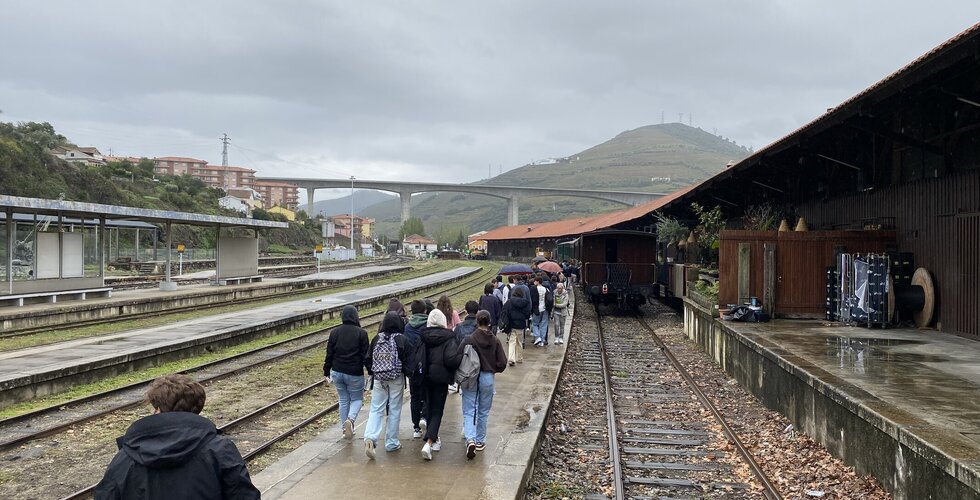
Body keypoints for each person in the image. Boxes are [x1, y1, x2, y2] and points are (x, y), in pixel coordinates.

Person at [94, 374, 260, 500]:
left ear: (157, 409)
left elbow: (106, 494)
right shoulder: (219, 449)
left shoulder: (127, 456)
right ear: (197, 409)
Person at [459, 310, 508, 459]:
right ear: (489, 322)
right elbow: (502, 363)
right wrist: (493, 368)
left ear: (477, 321)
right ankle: (480, 440)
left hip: (471, 377)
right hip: (487, 377)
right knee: (483, 411)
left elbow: (459, 356)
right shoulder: (495, 340)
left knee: (469, 409)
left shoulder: (469, 339)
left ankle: (470, 439)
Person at [364, 311, 411, 459]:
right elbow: (409, 360)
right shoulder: (401, 339)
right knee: (394, 409)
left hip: (379, 378)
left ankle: (370, 437)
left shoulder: (377, 338)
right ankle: (391, 442)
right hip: (396, 377)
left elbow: (367, 359)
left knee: (376, 408)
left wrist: (374, 371)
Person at [419, 309, 462, 460]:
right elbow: (451, 360)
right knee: (437, 410)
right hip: (441, 378)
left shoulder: (423, 336)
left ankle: (434, 438)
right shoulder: (449, 337)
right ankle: (429, 442)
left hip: (425, 377)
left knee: (429, 406)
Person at [323, 305, 370, 439]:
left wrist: (326, 371)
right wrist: (371, 371)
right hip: (354, 372)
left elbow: (329, 353)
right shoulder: (361, 333)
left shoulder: (334, 332)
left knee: (343, 399)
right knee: (357, 399)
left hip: (337, 372)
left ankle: (345, 429)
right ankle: (351, 419)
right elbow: (365, 356)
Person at [403, 300, 429, 439]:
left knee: (414, 397)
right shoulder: (427, 325)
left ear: (412, 311)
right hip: (425, 365)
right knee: (427, 394)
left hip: (411, 367)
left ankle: (416, 428)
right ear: (425, 311)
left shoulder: (407, 327)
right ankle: (424, 417)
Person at [499, 286, 531, 366]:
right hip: (521, 324)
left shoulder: (509, 302)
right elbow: (528, 313)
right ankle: (519, 358)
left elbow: (504, 311)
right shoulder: (525, 302)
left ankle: (511, 358)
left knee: (512, 341)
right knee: (519, 341)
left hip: (512, 323)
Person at [529, 276, 553, 346]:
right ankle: (542, 340)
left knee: (535, 324)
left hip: (537, 309)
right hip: (545, 309)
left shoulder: (533, 288)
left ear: (537, 281)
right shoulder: (546, 289)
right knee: (544, 324)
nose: (534, 282)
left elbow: (532, 300)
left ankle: (537, 337)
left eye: (535, 281)